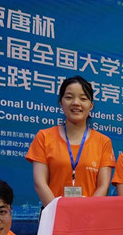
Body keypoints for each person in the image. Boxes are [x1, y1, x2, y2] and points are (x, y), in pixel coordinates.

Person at [26, 75, 116, 206]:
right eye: (69, 97)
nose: (76, 103)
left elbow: (103, 186)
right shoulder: (44, 137)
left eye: (83, 98)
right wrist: (58, 211)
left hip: (89, 214)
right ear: (61, 103)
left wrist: (87, 210)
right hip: (53, 213)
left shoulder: (103, 142)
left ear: (91, 105)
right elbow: (40, 183)